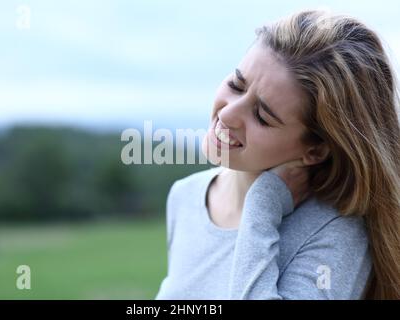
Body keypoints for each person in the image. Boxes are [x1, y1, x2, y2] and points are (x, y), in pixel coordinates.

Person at [155, 9, 400, 300]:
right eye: (236, 85)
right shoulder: (185, 196)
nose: (228, 114)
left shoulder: (335, 231)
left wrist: (264, 202)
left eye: (262, 116)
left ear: (315, 150)